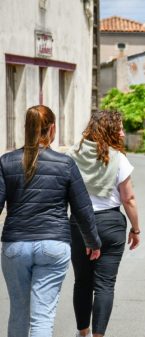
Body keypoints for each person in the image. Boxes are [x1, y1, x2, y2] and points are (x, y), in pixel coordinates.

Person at [0, 105, 101, 337]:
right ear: (52, 128)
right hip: (54, 245)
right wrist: (92, 241)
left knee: (18, 312)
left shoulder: (6, 162)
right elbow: (82, 208)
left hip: (15, 245)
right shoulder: (65, 164)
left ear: (26, 128)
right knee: (42, 317)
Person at [67, 110, 141, 337]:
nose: (122, 132)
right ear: (108, 130)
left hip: (79, 223)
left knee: (82, 282)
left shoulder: (72, 155)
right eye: (118, 127)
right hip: (110, 224)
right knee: (105, 285)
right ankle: (98, 335)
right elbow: (128, 199)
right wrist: (136, 229)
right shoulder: (119, 159)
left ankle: (83, 332)